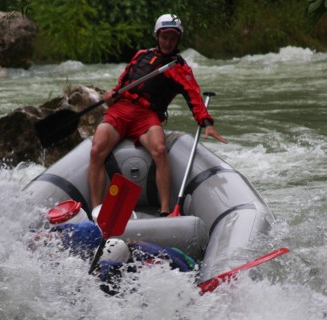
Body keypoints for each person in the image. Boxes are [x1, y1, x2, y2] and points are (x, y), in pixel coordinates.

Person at [87, 14, 227, 217]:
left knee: (160, 149)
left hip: (147, 115)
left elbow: (194, 97)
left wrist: (206, 123)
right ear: (157, 36)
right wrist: (111, 94)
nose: (168, 42)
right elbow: (122, 84)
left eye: (172, 38)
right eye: (164, 37)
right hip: (122, 109)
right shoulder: (141, 55)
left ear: (177, 40)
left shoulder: (179, 67)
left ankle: (164, 210)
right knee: (96, 149)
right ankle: (96, 212)